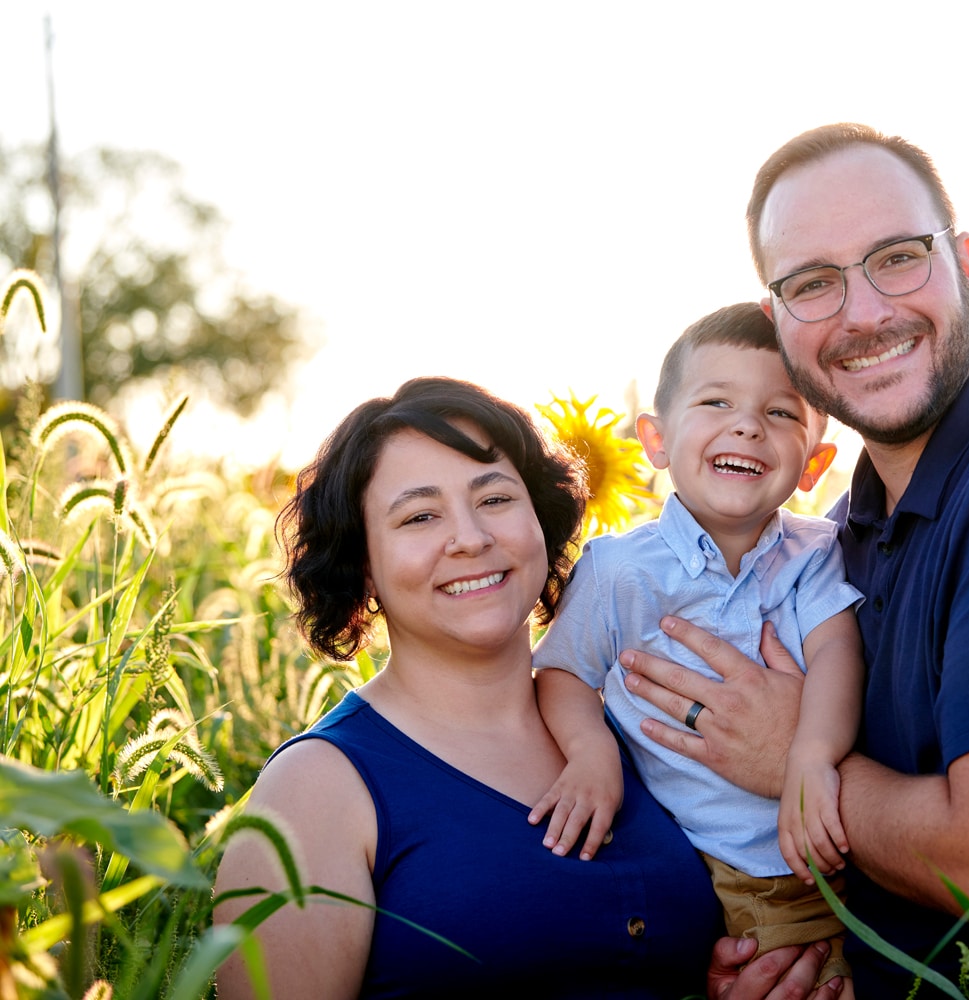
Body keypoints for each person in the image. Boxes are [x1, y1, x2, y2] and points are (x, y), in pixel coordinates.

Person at [620, 124, 969, 996]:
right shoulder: (842, 533)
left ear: (966, 263)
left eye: (896, 257)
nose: (863, 313)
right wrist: (799, 958)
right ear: (778, 322)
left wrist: (793, 761)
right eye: (814, 283)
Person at [213, 376, 844, 999]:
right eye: (420, 516)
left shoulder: (637, 732)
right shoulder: (317, 787)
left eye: (494, 500)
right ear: (363, 568)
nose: (471, 537)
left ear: (540, 521)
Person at [530, 303, 864, 989]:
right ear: (654, 440)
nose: (747, 424)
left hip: (829, 849)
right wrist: (592, 753)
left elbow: (837, 655)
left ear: (814, 464)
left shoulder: (817, 552)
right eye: (717, 401)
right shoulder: (619, 568)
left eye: (781, 414)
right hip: (697, 863)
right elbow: (560, 672)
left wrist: (809, 756)